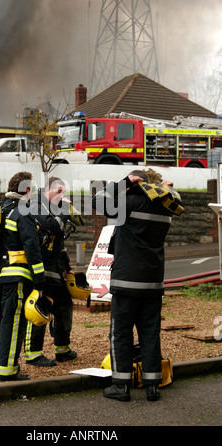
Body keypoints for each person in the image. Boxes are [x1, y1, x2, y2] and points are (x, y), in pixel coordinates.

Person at [92, 170, 180, 402]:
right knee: (150, 333)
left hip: (126, 281)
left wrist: (123, 184)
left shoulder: (128, 203)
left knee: (121, 333)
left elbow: (97, 200)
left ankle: (121, 386)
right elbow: (176, 200)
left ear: (134, 185)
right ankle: (153, 385)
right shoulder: (166, 207)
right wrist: (167, 189)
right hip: (152, 282)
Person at [0, 172, 46, 382]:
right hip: (17, 278)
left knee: (3, 323)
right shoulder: (23, 212)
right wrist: (40, 281)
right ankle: (7, 370)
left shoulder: (1, 210)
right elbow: (32, 248)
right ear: (27, 190)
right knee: (13, 324)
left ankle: (5, 364)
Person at [24, 177, 77, 367]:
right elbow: (53, 227)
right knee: (41, 309)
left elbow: (59, 242)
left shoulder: (54, 208)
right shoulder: (37, 206)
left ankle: (62, 349)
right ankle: (33, 354)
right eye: (59, 191)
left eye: (64, 192)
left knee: (64, 307)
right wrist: (64, 210)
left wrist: (67, 266)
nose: (61, 196)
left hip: (56, 270)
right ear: (47, 189)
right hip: (41, 270)